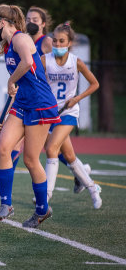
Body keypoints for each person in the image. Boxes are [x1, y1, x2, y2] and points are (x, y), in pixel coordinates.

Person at [0, 4, 60, 228]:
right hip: (21, 103)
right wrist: (2, 113)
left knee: (30, 159)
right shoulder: (8, 45)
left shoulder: (21, 39)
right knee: (4, 148)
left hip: (39, 103)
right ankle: (6, 204)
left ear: (2, 23)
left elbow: (28, 63)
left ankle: (41, 210)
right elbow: (18, 85)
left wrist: (10, 80)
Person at [41, 21, 102, 208]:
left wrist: (77, 98)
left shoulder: (76, 62)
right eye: (55, 41)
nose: (58, 45)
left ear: (69, 43)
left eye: (62, 41)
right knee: (69, 156)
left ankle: (46, 196)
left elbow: (95, 84)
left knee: (51, 149)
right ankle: (92, 187)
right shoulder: (45, 60)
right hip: (50, 113)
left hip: (68, 112)